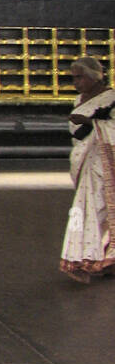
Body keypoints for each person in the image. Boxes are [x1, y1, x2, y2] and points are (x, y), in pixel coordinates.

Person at [60, 55, 115, 282]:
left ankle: (103, 256)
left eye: (80, 77)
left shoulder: (111, 97)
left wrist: (93, 121)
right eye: (73, 78)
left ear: (94, 76)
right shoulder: (79, 100)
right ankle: (87, 256)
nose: (76, 82)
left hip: (106, 161)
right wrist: (88, 122)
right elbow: (77, 132)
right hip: (86, 161)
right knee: (87, 208)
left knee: (104, 208)